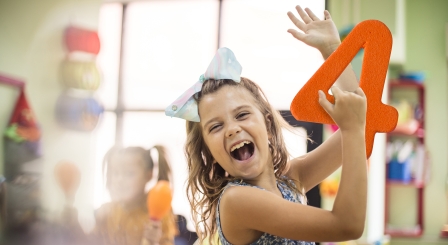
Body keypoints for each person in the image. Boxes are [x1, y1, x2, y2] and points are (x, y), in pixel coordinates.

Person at [165, 5, 367, 245]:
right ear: (208, 150)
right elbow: (347, 226)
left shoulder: (290, 180)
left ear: (268, 124)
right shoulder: (237, 201)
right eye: (215, 127)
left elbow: (364, 118)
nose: (232, 129)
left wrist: (334, 50)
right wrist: (353, 128)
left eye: (241, 115)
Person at [63, 145, 178, 245]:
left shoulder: (160, 214)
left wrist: (153, 243)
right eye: (115, 173)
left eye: (129, 174)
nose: (119, 180)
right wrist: (74, 225)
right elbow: (90, 242)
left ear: (149, 175)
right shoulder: (106, 211)